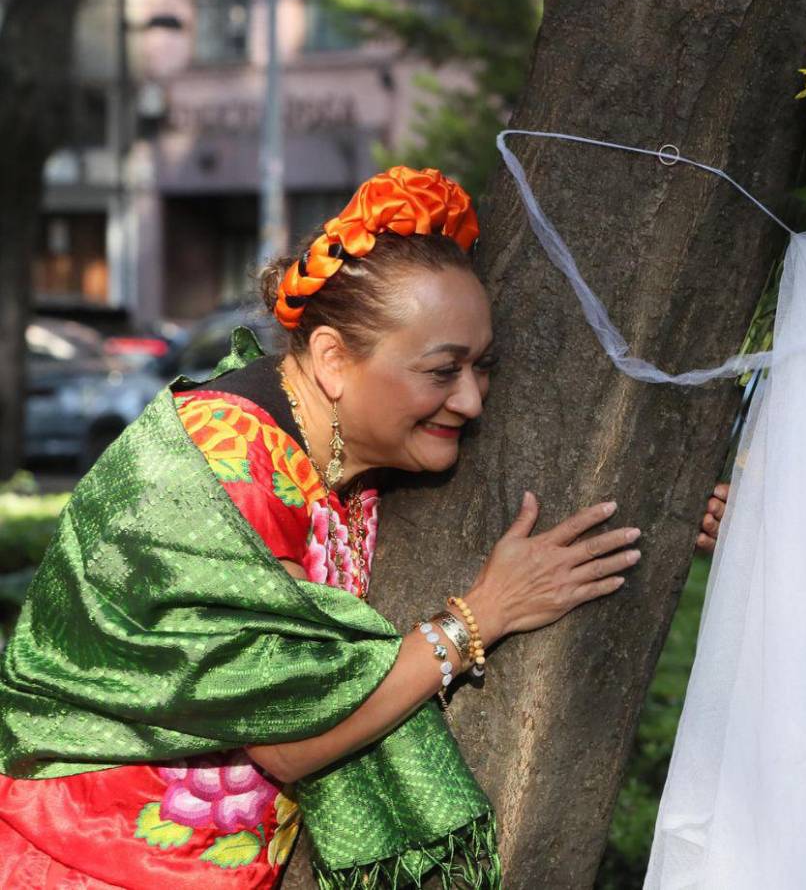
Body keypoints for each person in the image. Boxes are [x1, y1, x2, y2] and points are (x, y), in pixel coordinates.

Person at [0, 166, 725, 889]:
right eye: (443, 371)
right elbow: (292, 736)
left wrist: (659, 512)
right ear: (332, 360)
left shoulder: (338, 443)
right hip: (76, 862)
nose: (471, 401)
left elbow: (513, 483)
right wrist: (480, 620)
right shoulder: (221, 469)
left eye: (482, 368)